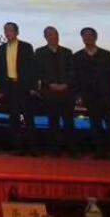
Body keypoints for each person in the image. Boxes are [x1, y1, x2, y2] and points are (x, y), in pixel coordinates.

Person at [73, 27, 110, 159]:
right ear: (82, 38)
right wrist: (78, 95)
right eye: (85, 35)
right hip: (89, 96)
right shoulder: (77, 56)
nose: (87, 37)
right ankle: (100, 151)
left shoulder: (106, 55)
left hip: (106, 95)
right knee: (95, 124)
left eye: (90, 35)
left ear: (96, 37)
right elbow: (76, 78)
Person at [0, 22, 37, 155]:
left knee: (28, 118)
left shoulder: (26, 47)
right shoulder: (1, 48)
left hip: (24, 87)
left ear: (17, 32)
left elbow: (33, 68)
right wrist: (1, 89)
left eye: (10, 30)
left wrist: (33, 86)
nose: (7, 33)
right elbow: (0, 70)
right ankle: (18, 147)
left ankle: (32, 147)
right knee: (14, 118)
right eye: (6, 30)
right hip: (9, 87)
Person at [35, 26, 76, 156]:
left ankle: (72, 149)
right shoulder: (39, 52)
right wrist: (50, 84)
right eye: (49, 35)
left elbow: (72, 71)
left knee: (69, 121)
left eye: (55, 34)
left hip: (66, 92)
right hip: (49, 92)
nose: (53, 37)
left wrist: (66, 84)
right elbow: (38, 72)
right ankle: (55, 149)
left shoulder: (67, 52)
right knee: (53, 121)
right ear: (45, 37)